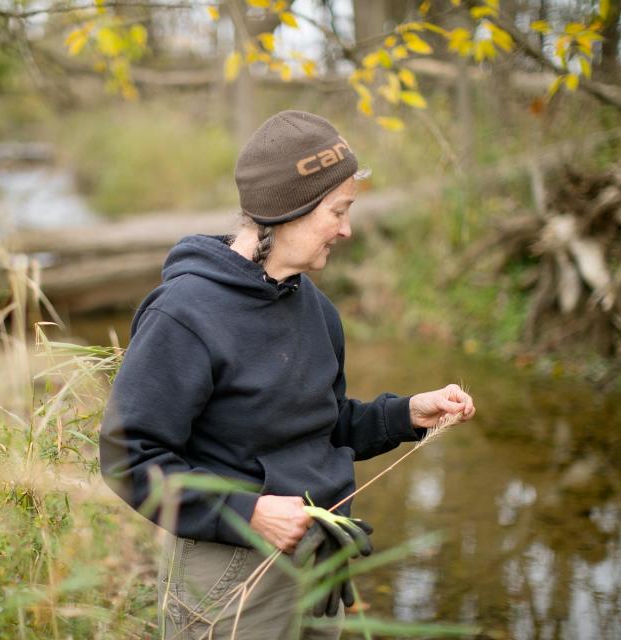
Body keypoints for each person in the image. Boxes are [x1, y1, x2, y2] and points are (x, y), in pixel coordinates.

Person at [99, 110, 475, 640]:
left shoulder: (314, 306)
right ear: (289, 210)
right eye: (337, 211)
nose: (346, 229)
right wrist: (246, 512)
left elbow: (323, 425)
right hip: (230, 570)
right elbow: (127, 456)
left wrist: (407, 414)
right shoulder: (184, 314)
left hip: (320, 562)